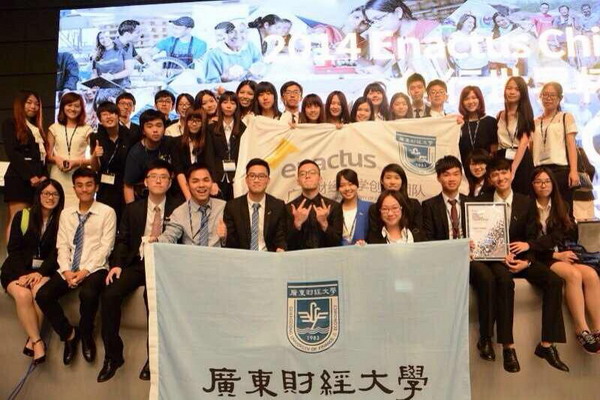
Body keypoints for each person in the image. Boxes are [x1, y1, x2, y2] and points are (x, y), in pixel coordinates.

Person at [477, 158, 568, 373]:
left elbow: (532, 237)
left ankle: (547, 344)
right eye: (495, 174)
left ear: (511, 174)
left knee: (554, 281)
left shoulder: (525, 202)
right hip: (495, 260)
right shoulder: (481, 202)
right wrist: (498, 255)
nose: (500, 177)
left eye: (504, 172)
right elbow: (479, 238)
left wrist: (526, 261)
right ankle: (508, 346)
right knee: (505, 282)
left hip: (523, 257)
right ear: (490, 179)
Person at [97, 160, 180, 382]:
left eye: (163, 177)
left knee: (151, 300)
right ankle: (113, 355)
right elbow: (123, 240)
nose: (159, 181)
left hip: (164, 266)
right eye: (154, 176)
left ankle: (153, 358)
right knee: (110, 294)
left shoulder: (179, 208)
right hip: (137, 262)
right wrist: (117, 264)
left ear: (170, 182)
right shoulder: (133, 208)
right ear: (146, 181)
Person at [36, 168, 117, 366]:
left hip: (95, 267)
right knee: (43, 295)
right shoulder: (66, 214)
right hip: (69, 266)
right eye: (79, 185)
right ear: (74, 188)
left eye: (89, 185)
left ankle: (86, 333)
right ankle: (69, 334)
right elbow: (62, 245)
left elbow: (106, 247)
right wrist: (66, 271)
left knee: (88, 294)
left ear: (96, 187)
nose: (84, 189)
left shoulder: (107, 212)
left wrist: (84, 271)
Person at [421, 156, 496, 361]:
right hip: (444, 261)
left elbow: (486, 236)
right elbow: (427, 239)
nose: (451, 179)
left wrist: (478, 245)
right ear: (438, 178)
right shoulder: (428, 206)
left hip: (471, 259)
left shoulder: (474, 203)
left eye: (456, 174)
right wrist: (454, 248)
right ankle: (439, 343)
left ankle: (486, 338)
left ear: (461, 176)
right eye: (446, 175)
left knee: (487, 278)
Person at [528, 167, 600, 353]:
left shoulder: (562, 206)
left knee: (591, 275)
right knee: (573, 275)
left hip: (560, 254)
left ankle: (598, 329)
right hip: (541, 257)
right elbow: (529, 242)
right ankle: (581, 329)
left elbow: (562, 234)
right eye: (538, 182)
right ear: (532, 185)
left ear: (553, 184)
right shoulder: (527, 207)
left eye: (547, 181)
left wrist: (562, 250)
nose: (543, 185)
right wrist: (553, 255)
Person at [1, 180, 64, 366]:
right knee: (23, 295)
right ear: (39, 195)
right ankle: (37, 341)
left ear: (60, 198)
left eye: (55, 194)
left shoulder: (63, 220)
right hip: (16, 269)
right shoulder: (23, 216)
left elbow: (58, 252)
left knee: (39, 292)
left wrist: (40, 273)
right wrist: (22, 274)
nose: (50, 198)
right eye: (46, 193)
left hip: (43, 270)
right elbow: (13, 249)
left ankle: (32, 340)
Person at [2, 90, 48, 245]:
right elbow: (13, 153)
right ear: (20, 104)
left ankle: (26, 254)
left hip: (38, 181)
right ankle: (12, 256)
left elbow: (42, 157)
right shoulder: (11, 123)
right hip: (19, 178)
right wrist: (30, 176)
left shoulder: (37, 128)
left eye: (36, 104)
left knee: (31, 221)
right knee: (16, 218)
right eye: (29, 102)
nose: (33, 107)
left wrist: (44, 175)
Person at [531, 82, 579, 211]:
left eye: (552, 95)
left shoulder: (565, 117)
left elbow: (571, 145)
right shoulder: (535, 121)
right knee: (542, 209)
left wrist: (573, 170)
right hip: (539, 171)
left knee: (564, 209)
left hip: (560, 170)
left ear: (560, 98)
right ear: (540, 97)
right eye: (545, 95)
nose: (548, 98)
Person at [155, 163, 226, 246]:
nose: (201, 185)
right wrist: (156, 241)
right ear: (187, 185)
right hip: (190, 254)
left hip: (218, 254)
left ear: (212, 182)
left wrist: (225, 237)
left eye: (206, 180)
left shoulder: (224, 207)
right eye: (195, 181)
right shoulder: (180, 212)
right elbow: (169, 236)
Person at [224, 158, 286, 251]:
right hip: (243, 257)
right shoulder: (233, 207)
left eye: (261, 176)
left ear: (268, 180)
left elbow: (280, 237)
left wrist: (280, 248)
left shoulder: (278, 206)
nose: (256, 180)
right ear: (246, 180)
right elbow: (232, 243)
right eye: (252, 176)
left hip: (269, 256)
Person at [47, 92, 93, 208]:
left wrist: (76, 162)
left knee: (76, 209)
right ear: (63, 107)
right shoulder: (54, 128)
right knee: (56, 208)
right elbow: (47, 156)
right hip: (58, 175)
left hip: (79, 178)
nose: (73, 109)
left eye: (77, 106)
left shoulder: (87, 129)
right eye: (69, 105)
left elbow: (94, 159)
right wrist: (57, 159)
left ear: (82, 109)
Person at [90, 102, 133, 223]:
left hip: (125, 185)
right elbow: (95, 168)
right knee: (105, 220)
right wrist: (94, 155)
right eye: (104, 114)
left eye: (112, 113)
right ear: (100, 119)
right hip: (105, 186)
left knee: (125, 220)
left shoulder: (129, 135)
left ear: (118, 115)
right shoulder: (95, 137)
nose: (109, 117)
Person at [286, 159, 343, 250]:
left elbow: (337, 242)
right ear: (298, 181)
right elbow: (285, 245)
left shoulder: (333, 207)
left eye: (312, 173)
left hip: (327, 257)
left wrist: (324, 224)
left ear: (320, 179)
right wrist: (297, 224)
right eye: (302, 174)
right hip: (298, 258)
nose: (307, 176)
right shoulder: (289, 208)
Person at [123, 109, 173, 204]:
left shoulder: (171, 143)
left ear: (164, 128)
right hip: (144, 199)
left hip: (170, 196)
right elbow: (128, 186)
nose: (155, 130)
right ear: (143, 131)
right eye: (149, 126)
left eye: (159, 125)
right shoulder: (136, 153)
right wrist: (131, 209)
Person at [496, 76, 534, 196]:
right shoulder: (499, 115)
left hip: (521, 159)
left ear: (522, 93)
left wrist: (513, 168)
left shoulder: (526, 114)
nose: (512, 92)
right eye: (509, 88)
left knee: (521, 195)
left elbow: (524, 143)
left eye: (517, 89)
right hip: (502, 157)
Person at [367, 163, 423, 241]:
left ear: (402, 181)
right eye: (388, 178)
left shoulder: (414, 205)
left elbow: (419, 231)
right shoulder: (374, 208)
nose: (392, 182)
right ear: (382, 181)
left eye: (397, 178)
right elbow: (374, 235)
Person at [172, 106, 215, 201]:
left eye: (198, 121)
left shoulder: (209, 142)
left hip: (205, 187)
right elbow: (179, 171)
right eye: (191, 120)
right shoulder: (177, 143)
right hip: (183, 190)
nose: (194, 124)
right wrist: (189, 198)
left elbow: (211, 166)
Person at [210, 92, 245, 200]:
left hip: (237, 177)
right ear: (220, 105)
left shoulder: (243, 128)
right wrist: (212, 181)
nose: (229, 106)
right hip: (217, 177)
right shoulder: (211, 128)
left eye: (232, 103)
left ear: (237, 106)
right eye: (225, 102)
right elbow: (209, 156)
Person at [457, 85, 498, 174]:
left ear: (480, 100)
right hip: (464, 171)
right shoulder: (459, 123)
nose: (470, 101)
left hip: (486, 171)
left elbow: (494, 151)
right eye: (466, 99)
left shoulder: (490, 122)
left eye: (474, 98)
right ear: (462, 102)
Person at [91, 30, 134, 103]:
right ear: (98, 40)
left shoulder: (124, 49)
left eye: (107, 36)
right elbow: (95, 75)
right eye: (101, 38)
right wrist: (93, 83)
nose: (105, 39)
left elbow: (129, 70)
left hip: (122, 88)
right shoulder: (96, 55)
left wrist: (113, 76)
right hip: (104, 91)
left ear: (113, 37)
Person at [336, 169, 371, 245]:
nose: (347, 188)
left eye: (351, 184)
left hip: (363, 251)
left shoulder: (369, 207)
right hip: (339, 252)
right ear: (338, 188)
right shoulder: (334, 210)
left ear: (357, 185)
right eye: (342, 185)